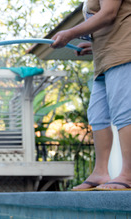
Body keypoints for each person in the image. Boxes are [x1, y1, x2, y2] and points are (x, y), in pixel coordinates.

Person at [51, 0, 131, 191]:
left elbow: (109, 13)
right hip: (104, 58)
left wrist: (70, 33)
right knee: (97, 115)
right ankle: (101, 172)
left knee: (124, 113)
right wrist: (93, 43)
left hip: (123, 54)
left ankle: (128, 174)